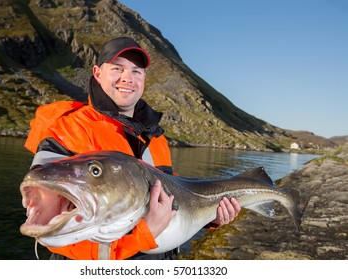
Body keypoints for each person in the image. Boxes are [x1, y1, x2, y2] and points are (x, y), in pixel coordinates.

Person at [24, 37, 241, 260]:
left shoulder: (155, 138)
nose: (127, 78)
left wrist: (211, 218)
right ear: (97, 73)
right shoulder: (65, 129)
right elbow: (53, 231)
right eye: (118, 68)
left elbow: (176, 197)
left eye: (136, 71)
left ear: (144, 79)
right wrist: (140, 237)